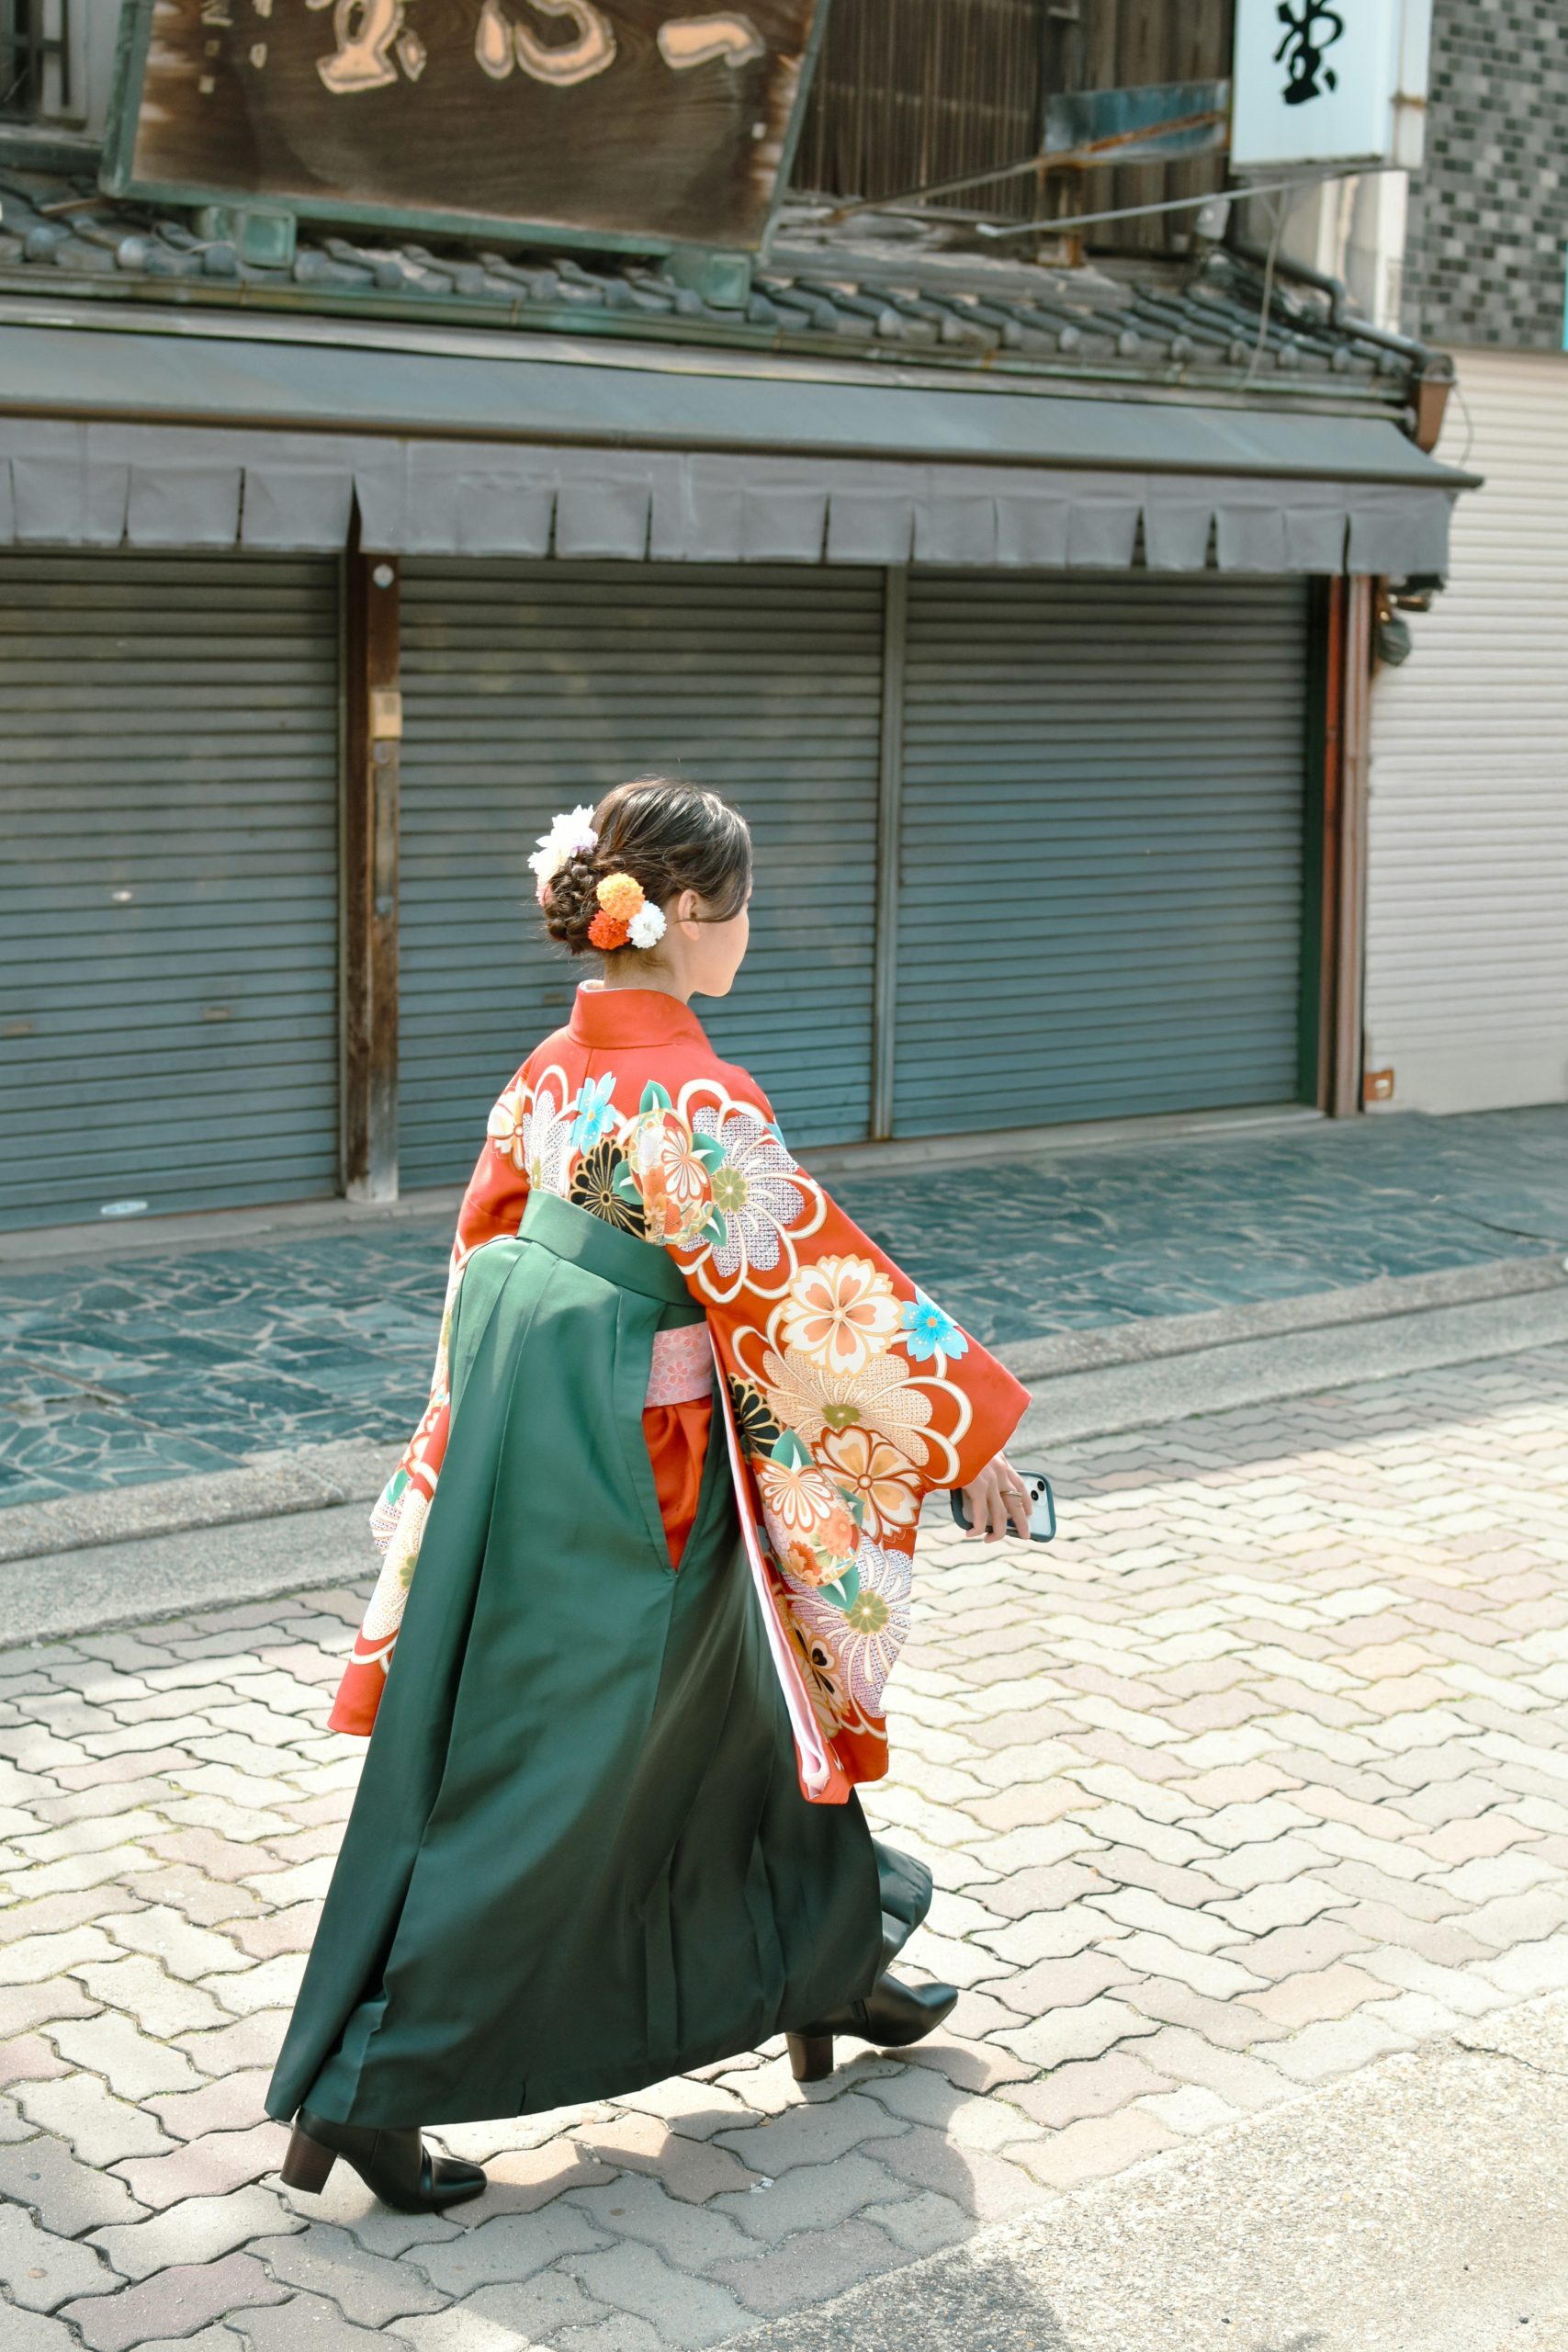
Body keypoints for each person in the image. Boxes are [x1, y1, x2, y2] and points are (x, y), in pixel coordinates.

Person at [265, 777, 1032, 2214]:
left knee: (750, 1722)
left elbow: (483, 1249)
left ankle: (834, 1963)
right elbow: (816, 1298)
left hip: (545, 1452)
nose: (749, 935)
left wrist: (469, 1442)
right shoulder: (698, 1094)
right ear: (682, 916)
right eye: (741, 910)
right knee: (573, 1782)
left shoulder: (557, 1066)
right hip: (652, 1486)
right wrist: (961, 1438)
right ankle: (376, 2074)